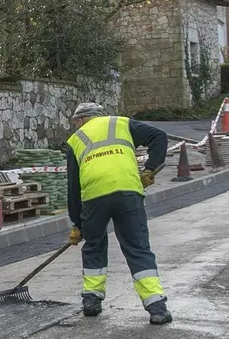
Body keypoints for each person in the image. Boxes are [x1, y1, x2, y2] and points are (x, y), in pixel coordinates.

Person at [65, 102, 173, 325]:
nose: (76, 126)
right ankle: (156, 307)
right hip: (128, 191)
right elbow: (159, 136)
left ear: (81, 120)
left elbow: (73, 187)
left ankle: (91, 301)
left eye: (76, 122)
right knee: (138, 248)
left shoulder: (76, 140)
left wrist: (78, 224)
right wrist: (151, 168)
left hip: (94, 196)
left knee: (94, 244)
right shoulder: (121, 123)